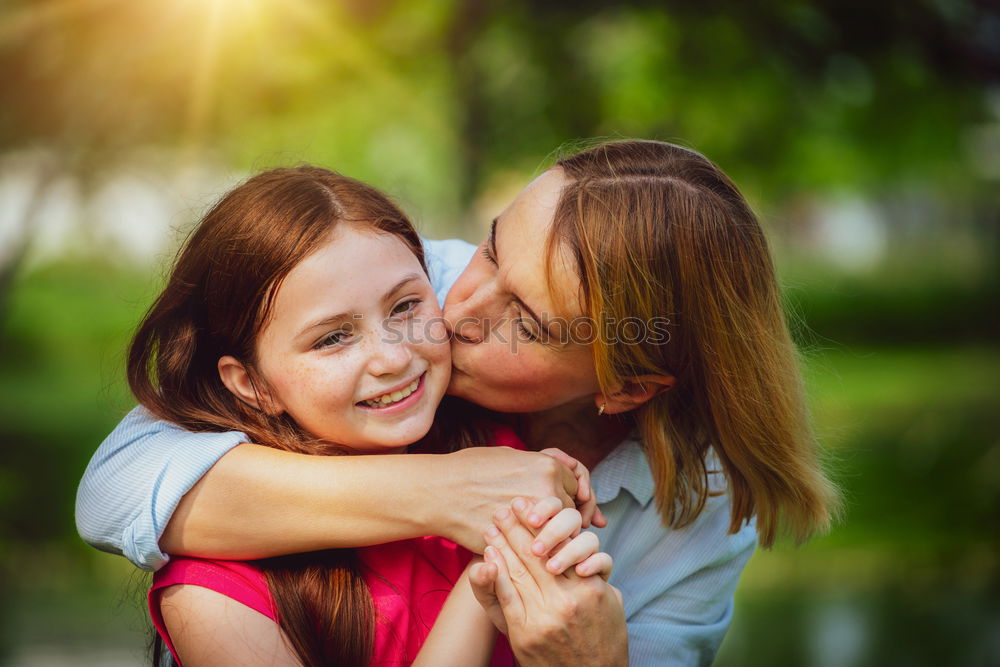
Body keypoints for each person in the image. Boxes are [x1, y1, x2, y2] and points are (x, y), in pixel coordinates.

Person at [78, 140, 838, 664]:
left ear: (626, 387)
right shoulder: (410, 290)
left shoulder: (698, 508)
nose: (460, 308)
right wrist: (448, 492)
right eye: (494, 245)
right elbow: (115, 489)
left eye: (529, 322)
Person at [120, 166, 612, 666]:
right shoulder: (212, 593)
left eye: (404, 307)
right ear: (253, 384)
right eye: (333, 337)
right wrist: (489, 569)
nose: (393, 357)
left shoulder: (496, 451)